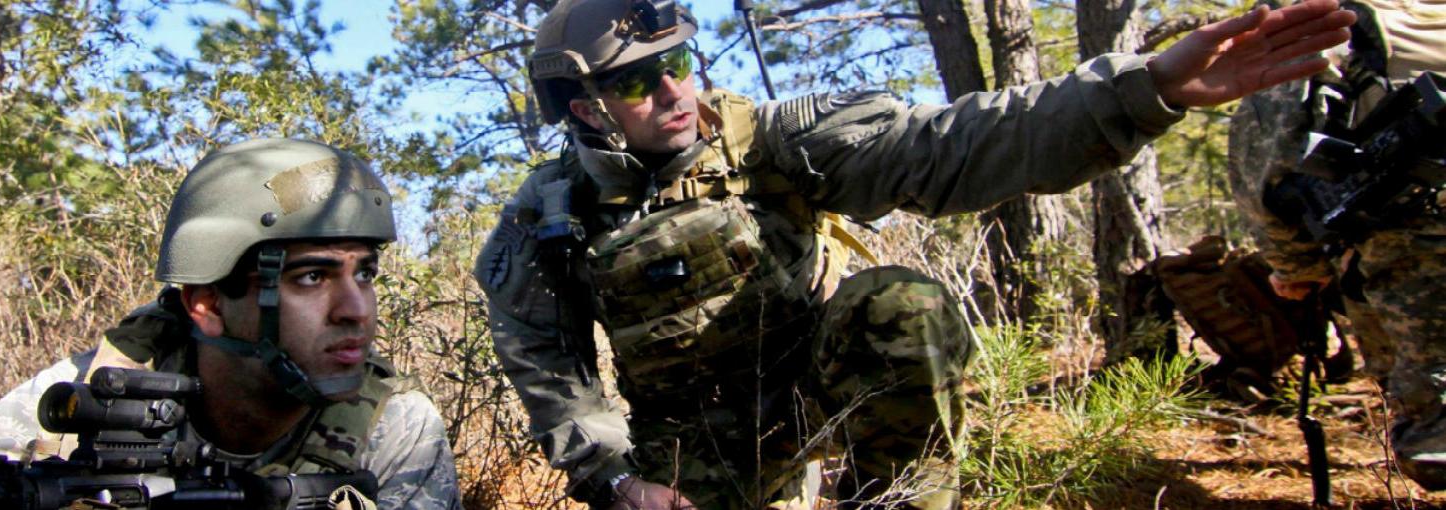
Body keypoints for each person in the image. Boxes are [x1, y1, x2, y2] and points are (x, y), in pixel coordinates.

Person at [476, 0, 1355, 507]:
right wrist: (616, 479)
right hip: (685, 452)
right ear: (583, 108)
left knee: (902, 304)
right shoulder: (547, 220)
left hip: (811, 388)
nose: (674, 91)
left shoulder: (773, 139)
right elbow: (549, 372)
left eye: (680, 61)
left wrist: (1142, 90)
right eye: (637, 80)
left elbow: (958, 145)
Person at [0, 138, 463, 509]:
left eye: (364, 273)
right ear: (208, 304)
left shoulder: (395, 426)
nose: (356, 308)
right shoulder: (86, 396)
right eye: (312, 277)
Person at [1228, 0, 1446, 490]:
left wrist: (1298, 268)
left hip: (1413, 256)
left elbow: (1266, 174)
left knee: (1436, 428)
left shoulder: (1325, 34)